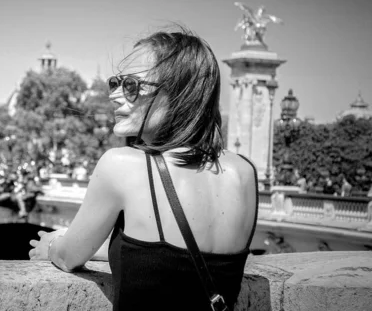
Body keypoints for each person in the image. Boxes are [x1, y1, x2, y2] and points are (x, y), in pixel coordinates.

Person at [29, 29, 258, 311]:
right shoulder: (244, 172)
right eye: (115, 83)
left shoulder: (121, 165)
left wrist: (52, 244)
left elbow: (68, 257)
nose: (114, 95)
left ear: (178, 94)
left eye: (131, 86)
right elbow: (172, 261)